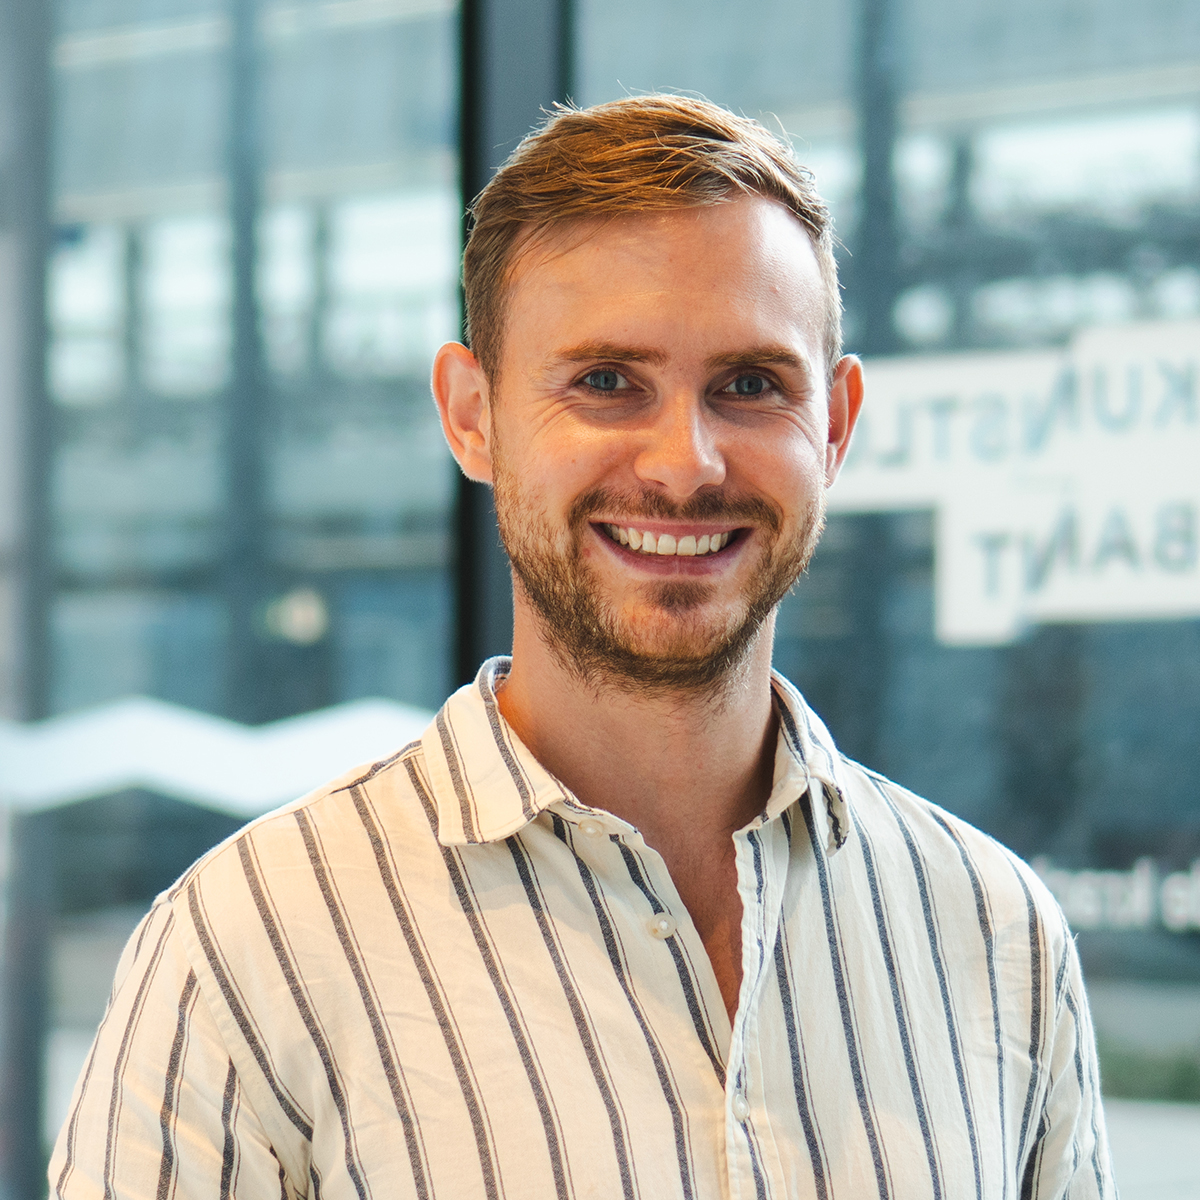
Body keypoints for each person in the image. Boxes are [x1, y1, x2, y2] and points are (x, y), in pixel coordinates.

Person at [52, 96, 1113, 1200]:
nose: (685, 463)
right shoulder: (247, 953)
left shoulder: (998, 938)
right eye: (606, 382)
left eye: (751, 385)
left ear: (835, 426)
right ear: (472, 416)